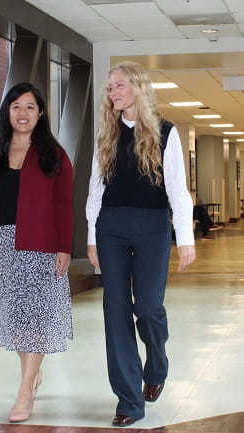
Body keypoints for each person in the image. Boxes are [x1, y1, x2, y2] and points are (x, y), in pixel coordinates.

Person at [85, 62, 196, 427]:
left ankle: (157, 362)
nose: (113, 91)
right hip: (112, 227)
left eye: (119, 85)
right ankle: (129, 400)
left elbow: (178, 190)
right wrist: (91, 236)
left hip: (152, 226)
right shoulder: (107, 134)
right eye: (110, 87)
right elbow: (95, 190)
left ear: (137, 87)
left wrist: (185, 238)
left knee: (147, 308)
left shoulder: (167, 132)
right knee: (115, 311)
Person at [0, 82, 74, 423]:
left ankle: (25, 390)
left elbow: (64, 205)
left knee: (37, 316)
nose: (23, 113)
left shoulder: (53, 155)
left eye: (30, 107)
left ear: (40, 113)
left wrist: (64, 247)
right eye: (16, 106)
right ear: (7, 111)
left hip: (42, 245)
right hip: (1, 246)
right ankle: (32, 371)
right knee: (16, 318)